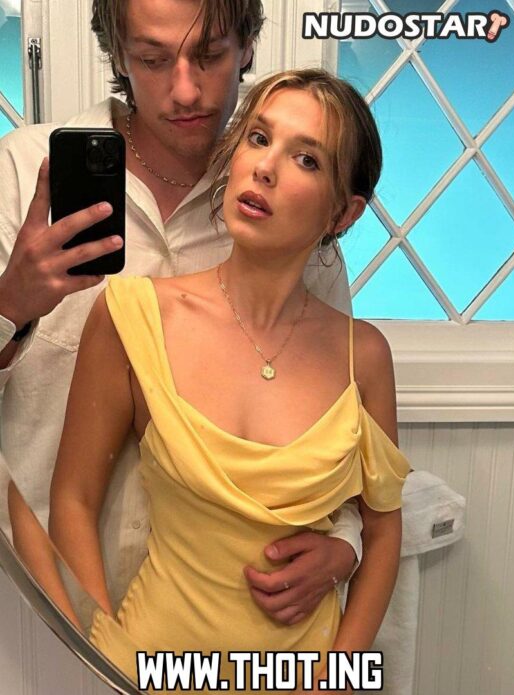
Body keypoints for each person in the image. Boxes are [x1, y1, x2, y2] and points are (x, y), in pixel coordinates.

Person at [49, 67, 410, 692]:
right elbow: (73, 499)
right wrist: (103, 654)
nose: (265, 168)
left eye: (306, 159)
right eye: (259, 138)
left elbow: (382, 531)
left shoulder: (364, 357)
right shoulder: (133, 315)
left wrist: (337, 676)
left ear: (343, 212)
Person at [0, 0, 361, 625]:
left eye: (211, 55)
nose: (186, 90)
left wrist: (345, 546)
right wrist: (10, 305)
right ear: (118, 54)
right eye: (153, 59)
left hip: (223, 619)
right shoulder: (24, 173)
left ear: (248, 46)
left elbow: (333, 428)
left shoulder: (288, 212)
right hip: (38, 601)